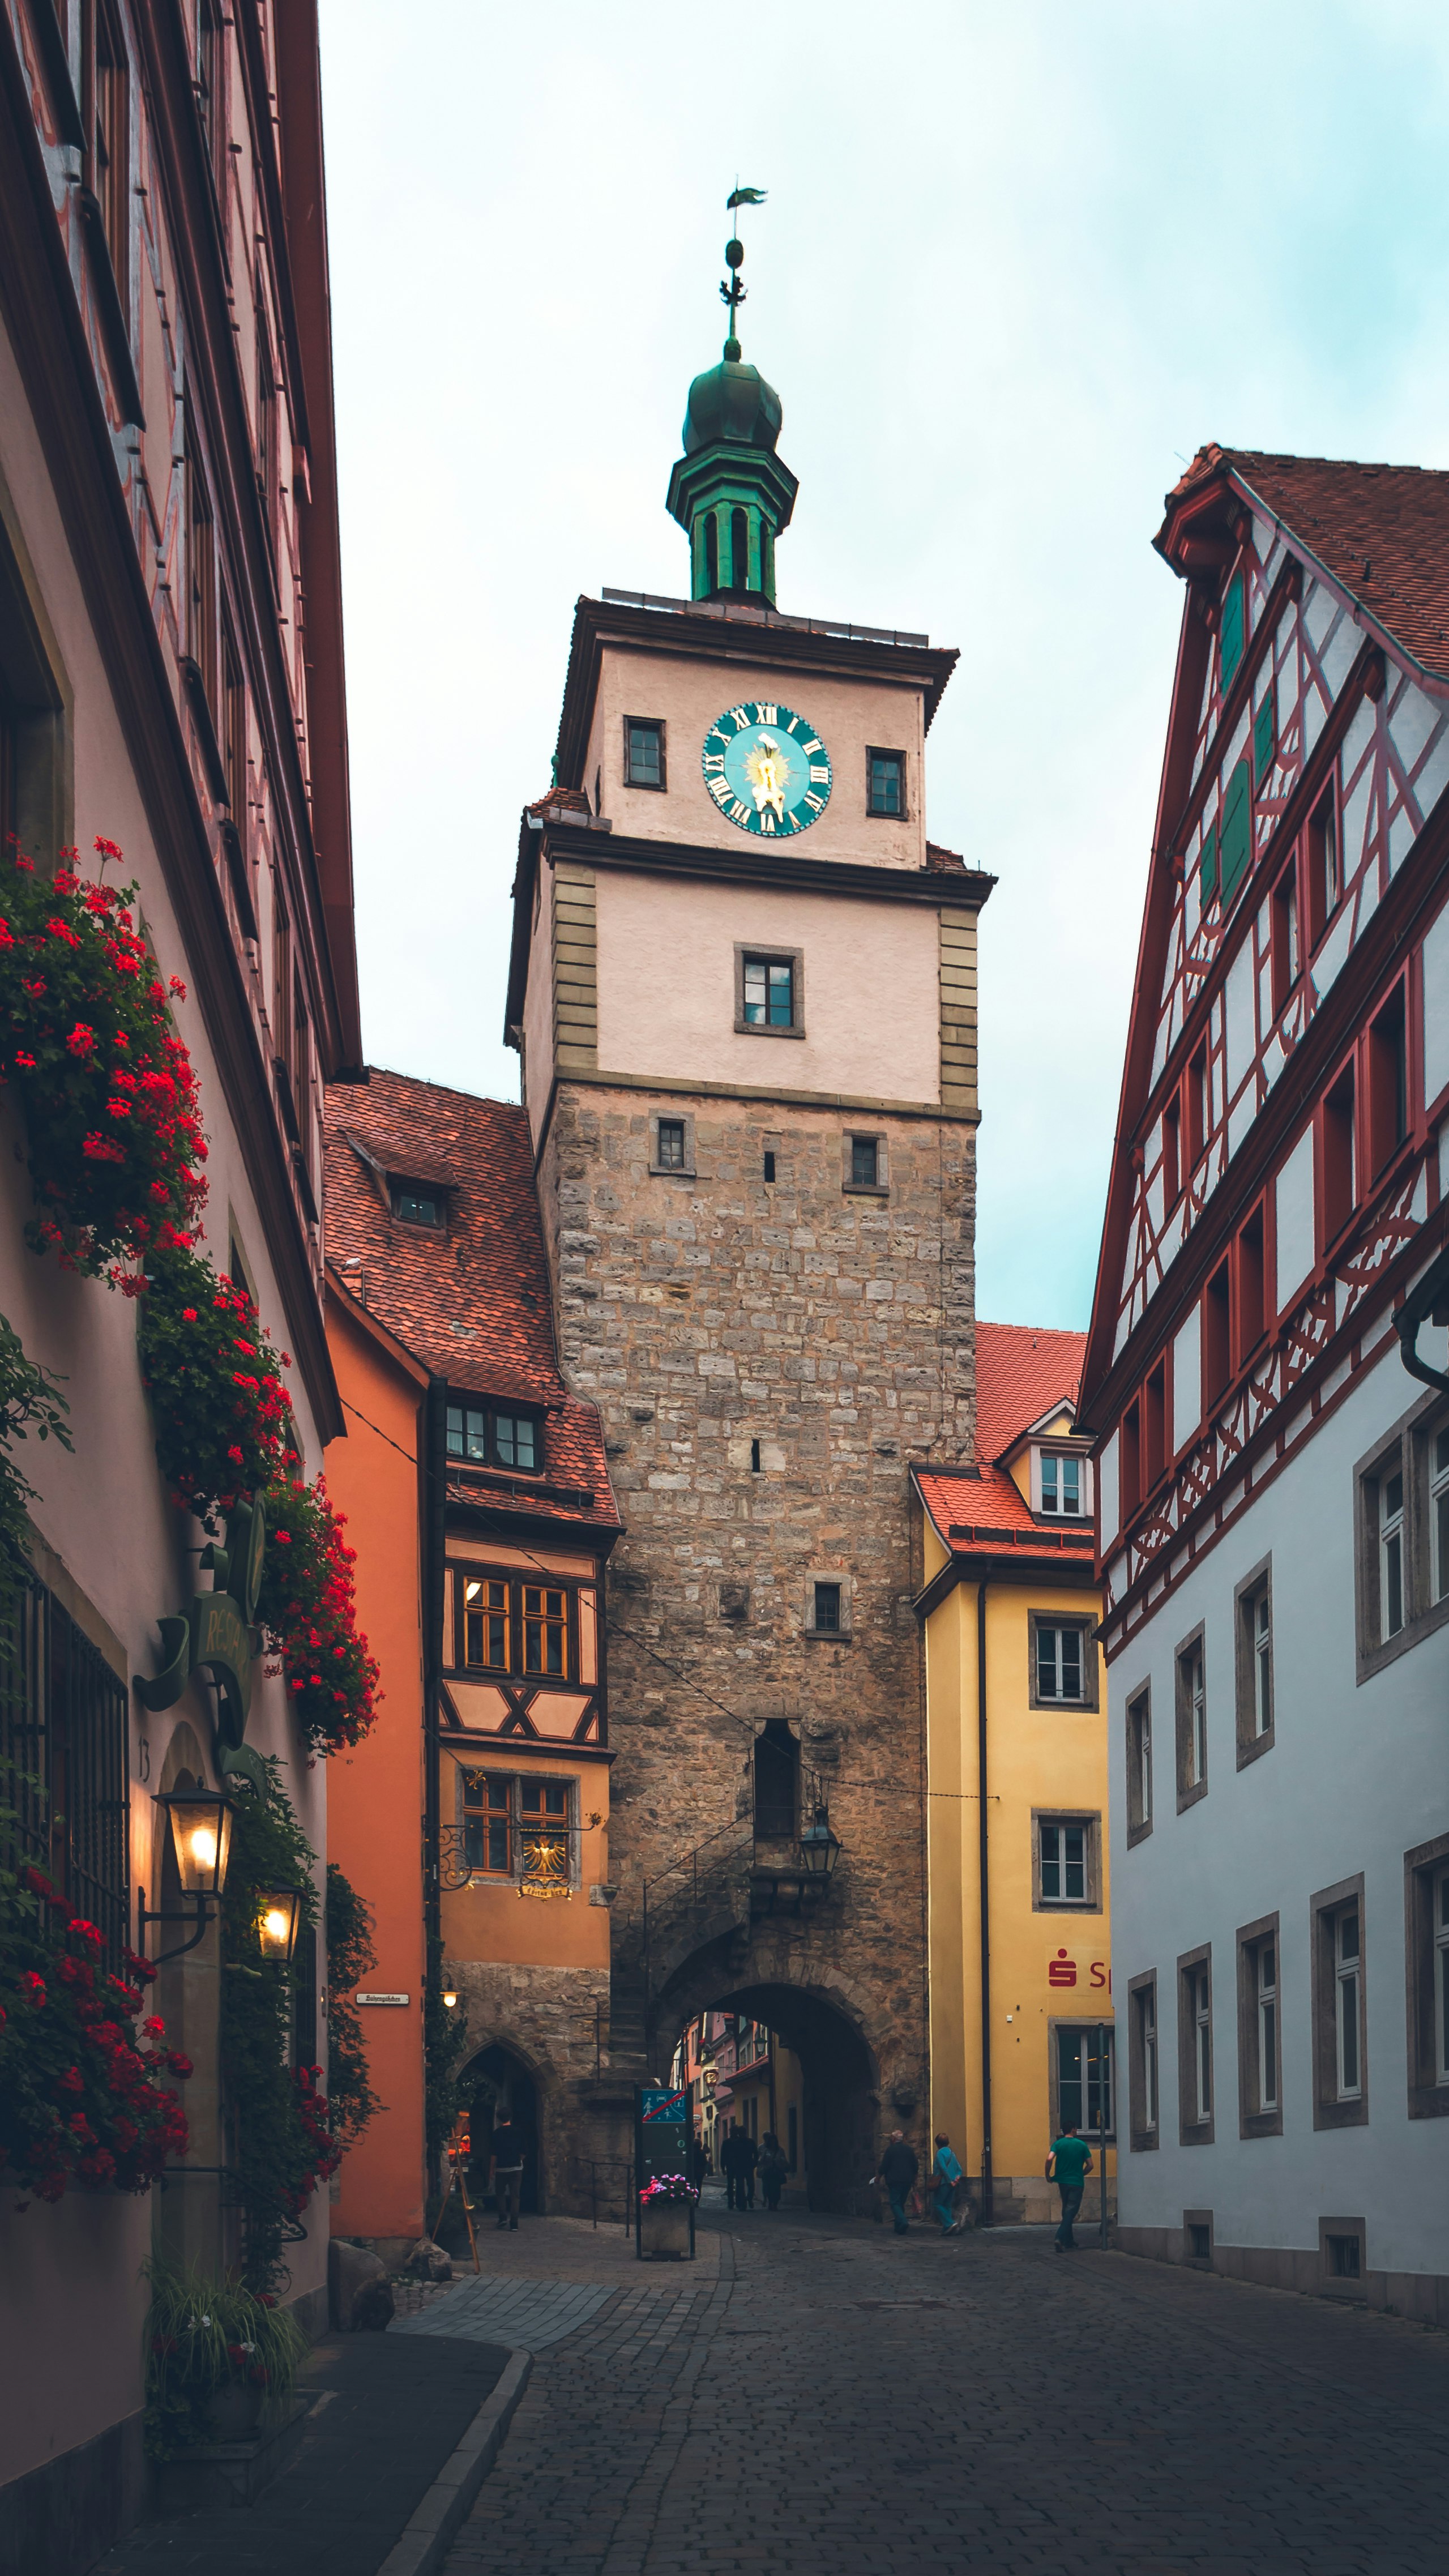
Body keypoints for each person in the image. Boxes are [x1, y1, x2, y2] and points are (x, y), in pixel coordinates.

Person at [1046, 2119, 1093, 2252]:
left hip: (1063, 2182)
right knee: (1071, 2211)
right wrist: (1081, 2173)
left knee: (1066, 2210)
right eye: (1076, 2129)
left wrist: (1047, 2175)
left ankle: (1069, 2240)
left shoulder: (1058, 2144)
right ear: (1073, 2130)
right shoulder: (1081, 2145)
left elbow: (1049, 2159)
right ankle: (1059, 2238)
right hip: (1077, 2182)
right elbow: (1091, 2165)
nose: (1076, 2131)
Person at [873, 2129, 919, 2235]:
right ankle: (899, 2227)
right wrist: (915, 2179)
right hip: (907, 2180)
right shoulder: (909, 2150)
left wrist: (878, 2177)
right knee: (901, 2203)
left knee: (895, 2203)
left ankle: (903, 2222)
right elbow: (915, 2165)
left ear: (893, 2139)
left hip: (895, 2180)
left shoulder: (891, 2150)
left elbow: (884, 2166)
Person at [490, 2111, 524, 2231]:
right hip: (516, 2168)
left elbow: (494, 2154)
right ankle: (514, 2223)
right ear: (510, 2118)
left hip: (502, 2169)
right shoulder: (518, 2132)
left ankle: (503, 2218)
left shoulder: (497, 2134)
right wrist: (518, 2160)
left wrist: (491, 2170)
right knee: (515, 2196)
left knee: (500, 2194)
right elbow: (525, 2150)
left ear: (499, 2119)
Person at [931, 2131, 965, 2235]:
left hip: (943, 2183)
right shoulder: (952, 2153)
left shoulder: (940, 2153)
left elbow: (943, 2168)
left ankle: (949, 2223)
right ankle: (947, 2229)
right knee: (947, 2205)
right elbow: (959, 2169)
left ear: (937, 2143)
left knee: (937, 2204)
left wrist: (950, 2181)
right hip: (953, 2184)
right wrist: (956, 2180)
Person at [720, 2121, 758, 2211]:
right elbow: (725, 2156)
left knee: (750, 2185)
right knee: (738, 2186)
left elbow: (755, 2154)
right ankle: (739, 2203)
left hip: (747, 2166)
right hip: (737, 2167)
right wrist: (724, 2167)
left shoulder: (749, 2142)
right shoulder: (732, 2143)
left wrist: (754, 2164)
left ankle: (747, 2199)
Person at [758, 2131, 789, 2212]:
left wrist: (781, 2163)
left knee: (776, 2189)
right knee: (768, 2188)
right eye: (771, 2141)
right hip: (767, 2172)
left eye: (774, 2140)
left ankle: (775, 2204)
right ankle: (770, 2203)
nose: (773, 2142)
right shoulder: (765, 2150)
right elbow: (761, 2161)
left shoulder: (780, 2150)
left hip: (776, 2172)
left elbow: (784, 2160)